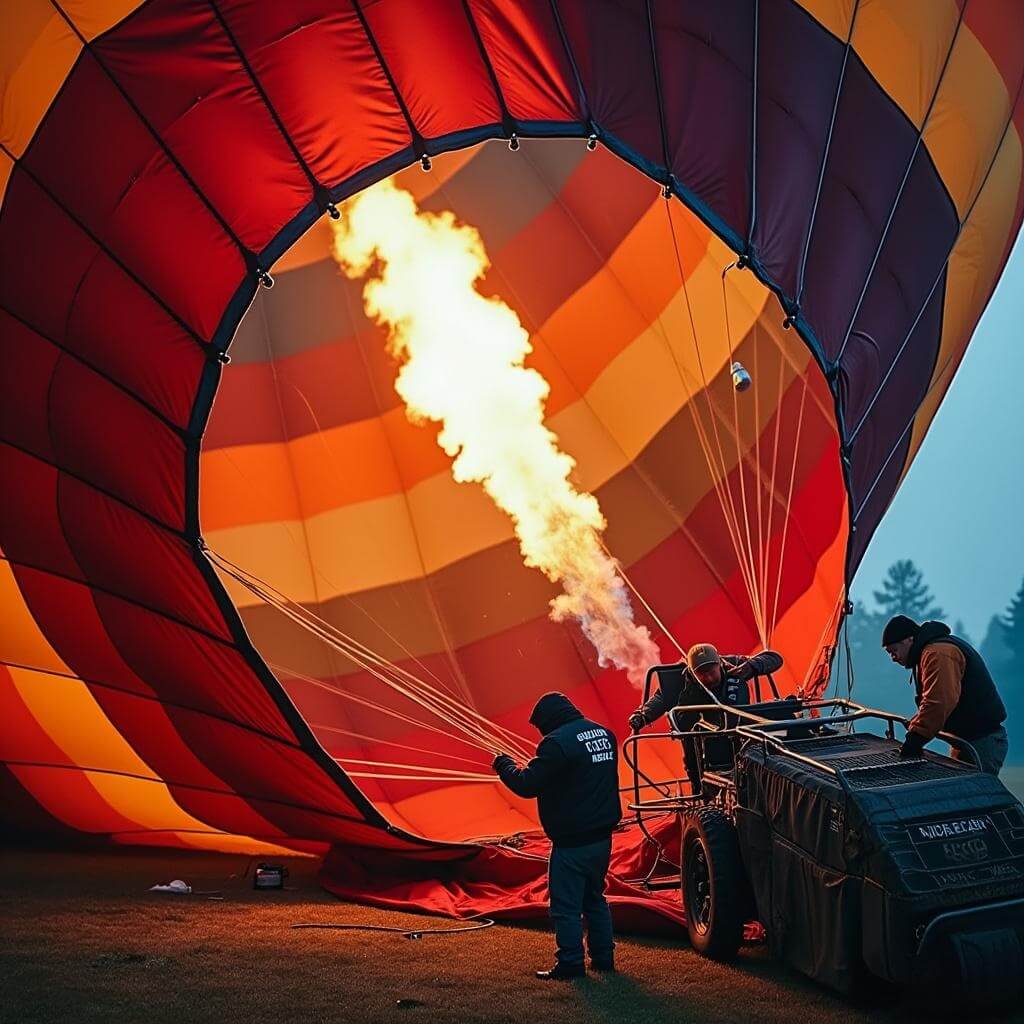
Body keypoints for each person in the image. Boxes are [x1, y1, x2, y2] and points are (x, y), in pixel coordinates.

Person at [492, 692, 621, 980]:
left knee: (565, 906)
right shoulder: (604, 734)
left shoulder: (556, 744)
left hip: (572, 840)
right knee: (594, 898)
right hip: (602, 837)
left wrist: (504, 765)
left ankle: (571, 963)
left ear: (548, 720)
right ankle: (603, 958)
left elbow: (526, 785)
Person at [628, 643, 784, 792]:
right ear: (693, 672)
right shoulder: (681, 680)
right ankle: (701, 792)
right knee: (693, 754)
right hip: (701, 741)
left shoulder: (734, 665)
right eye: (702, 674)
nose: (709, 678)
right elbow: (661, 698)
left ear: (719, 664)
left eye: (712, 672)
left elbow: (774, 658)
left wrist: (752, 666)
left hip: (739, 732)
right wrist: (643, 715)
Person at [882, 615, 1008, 773]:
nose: (893, 658)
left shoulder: (938, 653)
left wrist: (915, 739)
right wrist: (916, 727)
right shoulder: (930, 651)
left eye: (894, 650)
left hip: (980, 742)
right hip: (966, 741)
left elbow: (939, 701)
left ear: (909, 639)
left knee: (976, 793)